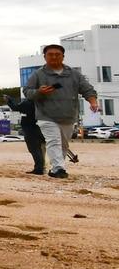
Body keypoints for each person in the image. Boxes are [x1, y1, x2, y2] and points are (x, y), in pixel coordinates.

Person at [24, 44, 100, 179]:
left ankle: (56, 167)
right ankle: (59, 168)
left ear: (63, 56)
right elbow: (27, 92)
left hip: (68, 115)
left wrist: (93, 102)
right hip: (46, 116)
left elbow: (87, 89)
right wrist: (39, 92)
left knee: (64, 145)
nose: (54, 57)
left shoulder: (74, 74)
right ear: (45, 57)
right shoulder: (38, 74)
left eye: (57, 54)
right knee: (53, 141)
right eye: (50, 54)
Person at [5, 93, 47, 175]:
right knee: (41, 149)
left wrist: (9, 100)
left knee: (34, 149)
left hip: (30, 128)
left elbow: (15, 107)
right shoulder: (41, 103)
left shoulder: (28, 103)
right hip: (40, 127)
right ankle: (43, 167)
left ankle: (39, 169)